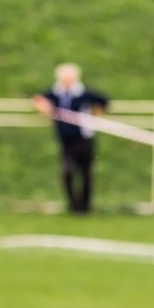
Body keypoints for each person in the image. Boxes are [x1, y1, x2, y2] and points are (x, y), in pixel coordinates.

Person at [31, 63, 109, 214]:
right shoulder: (56, 93)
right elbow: (38, 98)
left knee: (86, 174)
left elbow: (104, 101)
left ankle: (85, 208)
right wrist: (43, 106)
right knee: (67, 172)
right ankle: (73, 206)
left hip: (84, 139)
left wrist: (94, 114)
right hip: (66, 141)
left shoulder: (83, 93)